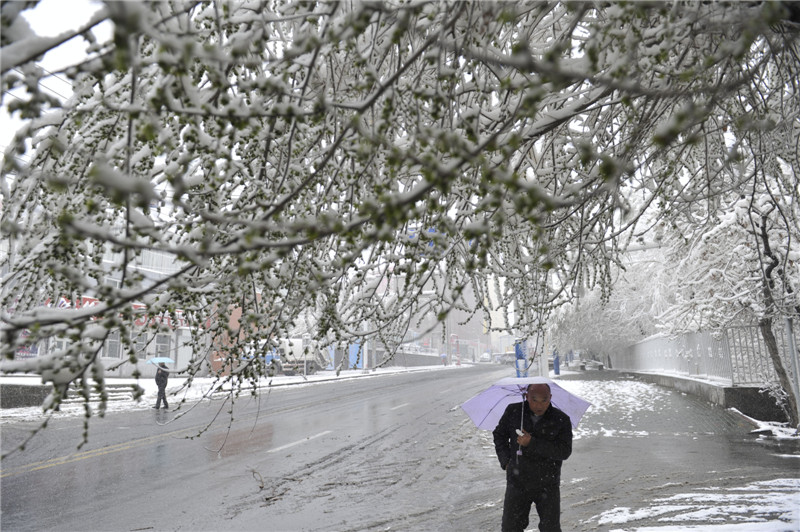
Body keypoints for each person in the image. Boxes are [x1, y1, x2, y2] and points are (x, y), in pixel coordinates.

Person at [493, 383, 573, 532]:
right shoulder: (514, 412)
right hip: (518, 481)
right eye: (534, 399)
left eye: (544, 400)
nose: (539, 405)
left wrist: (532, 443)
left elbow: (564, 451)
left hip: (547, 483)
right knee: (511, 527)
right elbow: (499, 435)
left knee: (550, 528)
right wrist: (506, 462)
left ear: (550, 398)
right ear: (526, 397)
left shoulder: (560, 419)